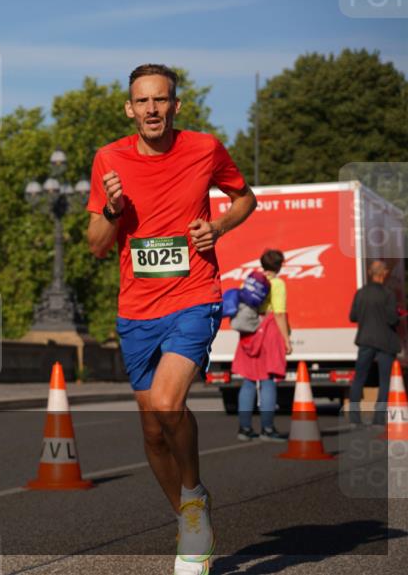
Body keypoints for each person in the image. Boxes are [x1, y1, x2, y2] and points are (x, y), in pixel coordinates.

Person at [86, 64, 256, 574]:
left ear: (175, 105)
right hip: (137, 308)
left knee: (166, 401)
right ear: (129, 109)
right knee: (153, 430)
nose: (152, 109)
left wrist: (218, 228)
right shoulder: (109, 159)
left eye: (160, 100)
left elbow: (246, 198)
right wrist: (113, 209)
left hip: (194, 295)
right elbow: (96, 246)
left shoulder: (204, 149)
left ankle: (194, 497)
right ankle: (188, 517)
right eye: (142, 101)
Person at [231, 249, 290, 441]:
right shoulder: (277, 284)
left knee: (248, 380)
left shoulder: (249, 281)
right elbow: (279, 313)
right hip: (269, 330)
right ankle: (267, 429)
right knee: (268, 380)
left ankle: (244, 428)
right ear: (279, 266)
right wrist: (286, 339)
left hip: (249, 331)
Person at [349, 260, 402, 427]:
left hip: (365, 340)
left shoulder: (360, 293)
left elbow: (353, 317)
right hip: (385, 342)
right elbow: (392, 319)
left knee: (359, 378)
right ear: (383, 273)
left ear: (370, 273)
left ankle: (354, 417)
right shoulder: (388, 294)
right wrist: (399, 316)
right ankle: (378, 418)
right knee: (384, 381)